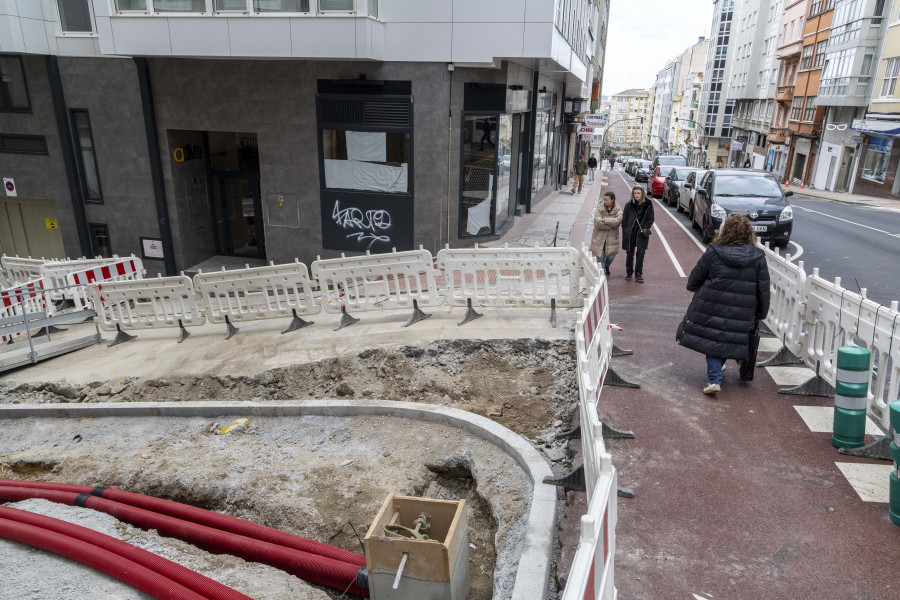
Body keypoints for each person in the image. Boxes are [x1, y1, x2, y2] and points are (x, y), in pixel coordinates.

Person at [676, 214, 770, 395]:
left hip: (711, 304)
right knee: (728, 335)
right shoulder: (758, 258)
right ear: (749, 233)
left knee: (713, 339)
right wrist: (761, 312)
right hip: (743, 308)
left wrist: (693, 286)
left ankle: (714, 379)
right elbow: (763, 289)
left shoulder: (714, 251)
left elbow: (696, 277)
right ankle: (719, 367)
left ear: (726, 231)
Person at [621, 186, 654, 283]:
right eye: (635, 193)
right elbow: (624, 219)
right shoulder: (629, 205)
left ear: (642, 194)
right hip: (630, 232)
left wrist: (645, 228)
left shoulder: (648, 205)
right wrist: (625, 230)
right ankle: (629, 272)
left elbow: (651, 219)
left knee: (640, 254)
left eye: (638, 193)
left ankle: (638, 274)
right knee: (629, 253)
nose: (636, 195)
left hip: (641, 233)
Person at [591, 192, 622, 276]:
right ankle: (601, 276)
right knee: (600, 259)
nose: (604, 201)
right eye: (604, 199)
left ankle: (607, 265)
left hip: (612, 238)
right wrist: (609, 226)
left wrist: (604, 220)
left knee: (611, 256)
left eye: (606, 200)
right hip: (600, 237)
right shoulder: (599, 208)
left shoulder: (618, 209)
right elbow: (597, 223)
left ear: (612, 200)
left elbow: (617, 222)